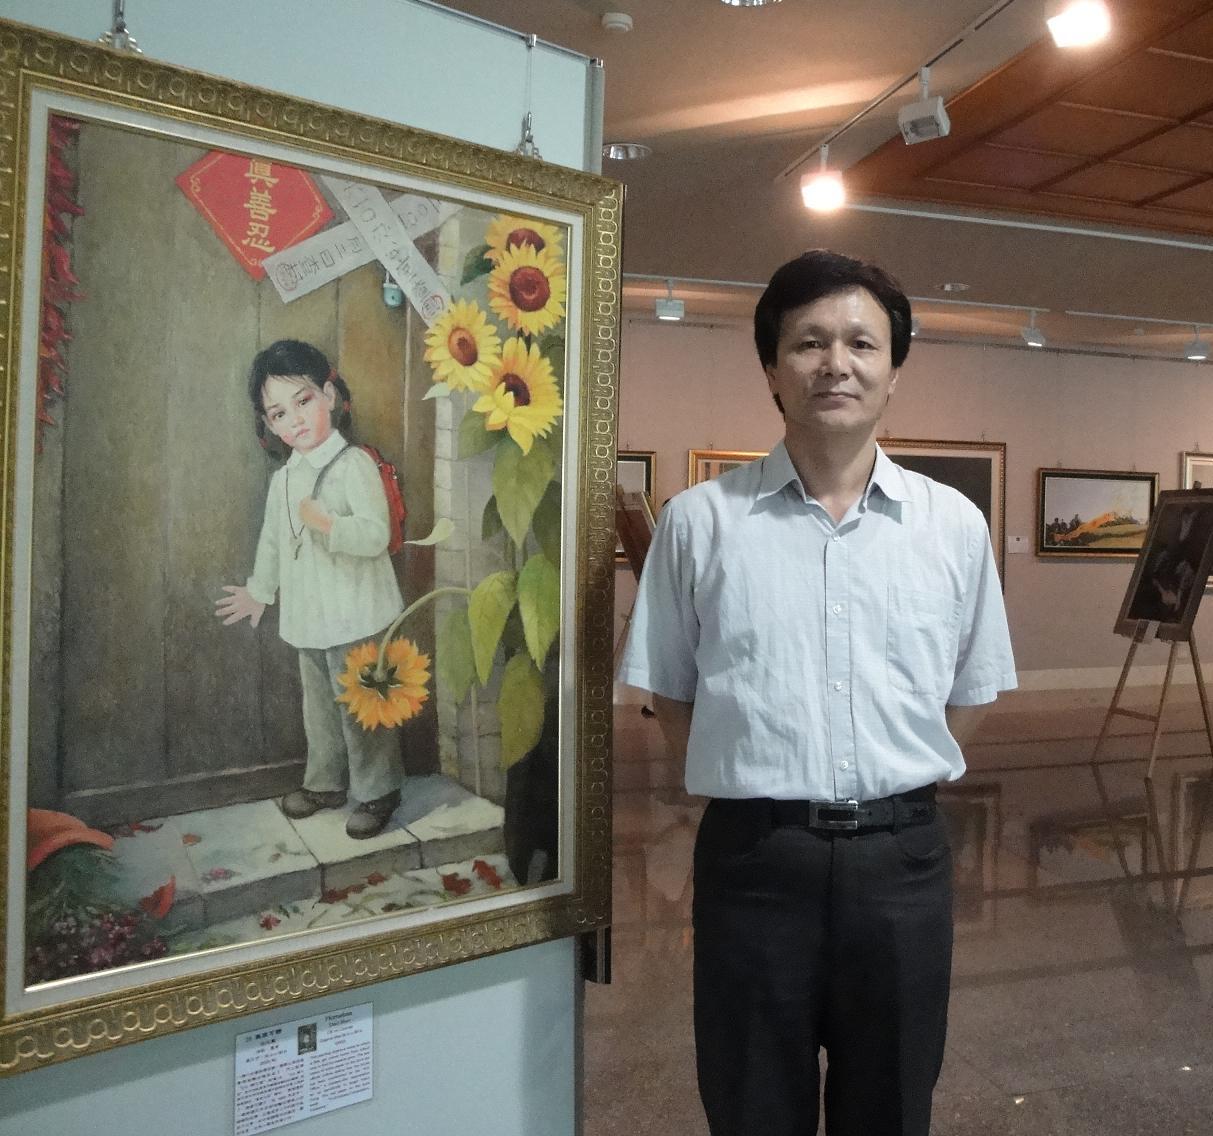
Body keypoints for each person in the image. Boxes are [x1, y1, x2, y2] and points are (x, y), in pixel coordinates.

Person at [618, 250, 1016, 1136]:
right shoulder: (700, 522)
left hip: (901, 865)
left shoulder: (951, 526)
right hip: (754, 865)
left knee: (892, 1104)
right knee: (751, 1103)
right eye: (808, 343)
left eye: (860, 343)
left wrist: (890, 777)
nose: (836, 364)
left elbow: (972, 689)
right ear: (770, 368)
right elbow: (674, 695)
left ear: (894, 370)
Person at [216, 339, 406, 840]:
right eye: (279, 413)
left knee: (363, 708)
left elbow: (377, 535)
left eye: (303, 401)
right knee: (319, 708)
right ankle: (325, 783)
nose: (294, 420)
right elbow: (272, 542)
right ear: (268, 423)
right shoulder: (283, 479)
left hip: (358, 613)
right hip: (310, 617)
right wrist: (260, 591)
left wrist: (330, 525)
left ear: (330, 395)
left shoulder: (354, 465)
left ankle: (378, 790)